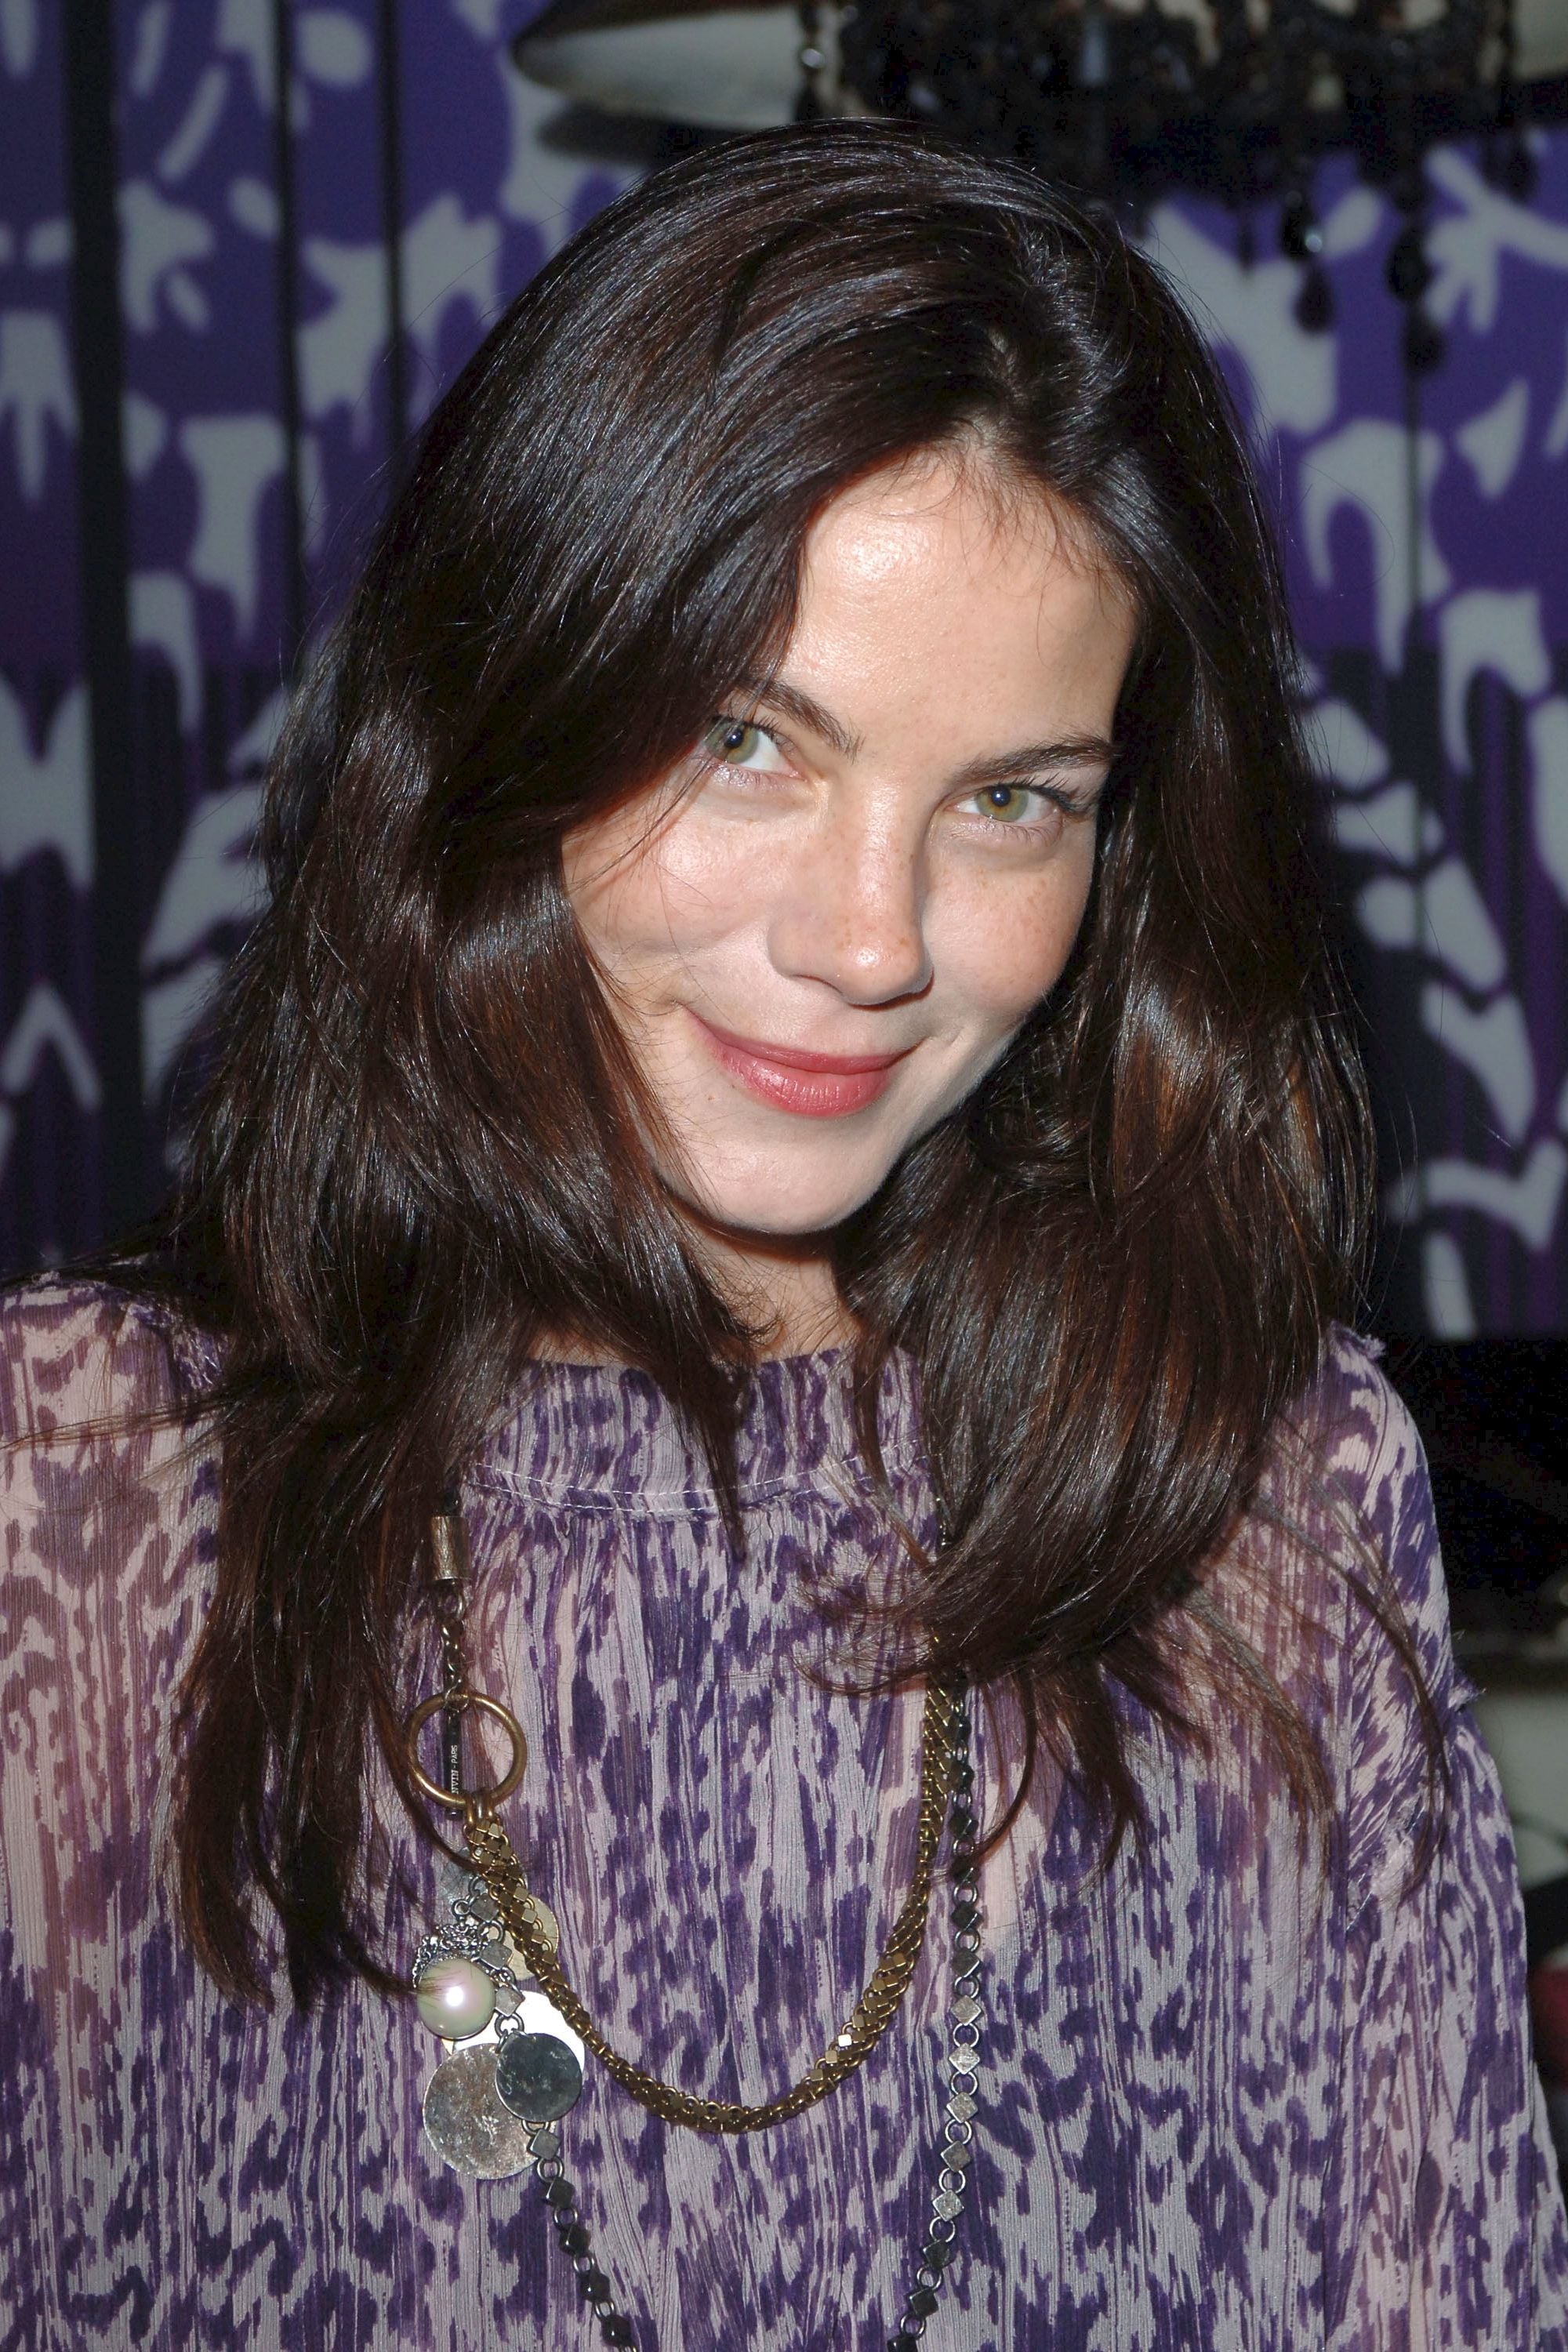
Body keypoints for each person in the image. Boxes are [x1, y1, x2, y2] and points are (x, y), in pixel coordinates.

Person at [2, 119, 1563, 2352]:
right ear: (502, 707)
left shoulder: (1265, 1501)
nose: (871, 940)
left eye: (1010, 800)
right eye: (751, 741)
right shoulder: (72, 1502)